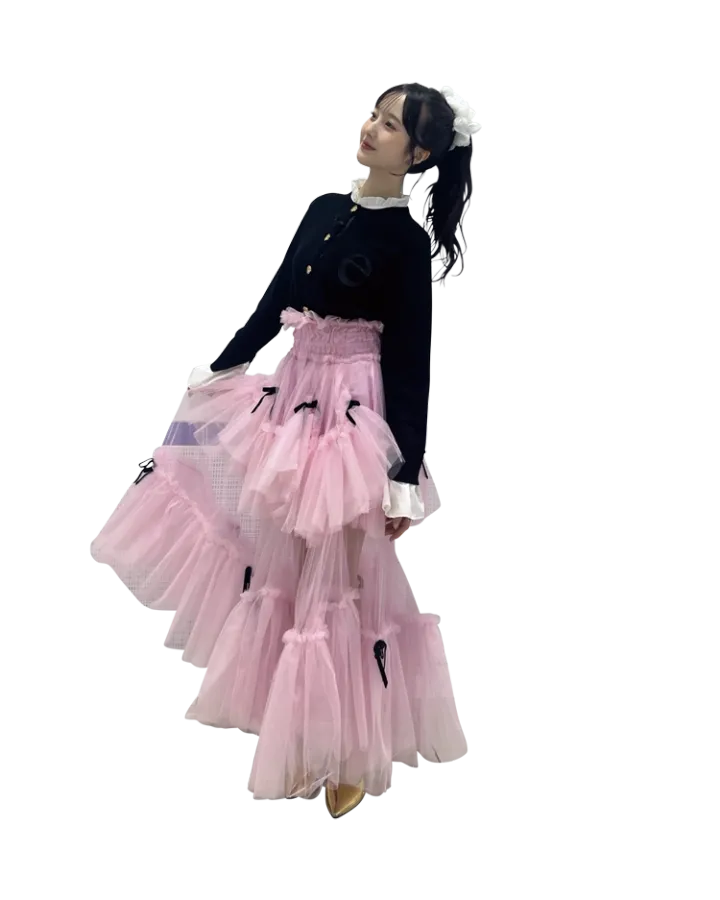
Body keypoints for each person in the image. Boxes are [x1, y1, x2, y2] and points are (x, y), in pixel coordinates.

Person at [89, 81, 481, 818]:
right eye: (374, 115)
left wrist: (403, 471)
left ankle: (345, 751)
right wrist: (222, 365)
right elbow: (274, 300)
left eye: (392, 126)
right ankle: (298, 731)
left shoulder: (403, 242)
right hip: (294, 395)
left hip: (352, 411)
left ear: (419, 154)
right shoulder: (323, 210)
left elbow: (409, 360)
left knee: (342, 579)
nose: (372, 129)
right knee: (285, 564)